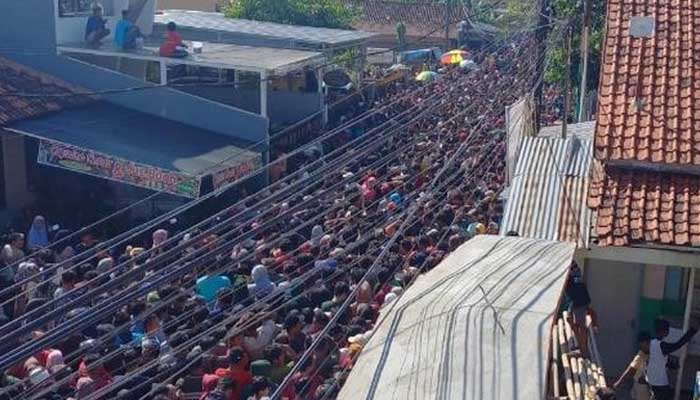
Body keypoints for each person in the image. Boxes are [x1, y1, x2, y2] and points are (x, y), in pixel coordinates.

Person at [646, 318, 698, 400]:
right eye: (667, 330)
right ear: (664, 331)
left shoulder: (651, 343)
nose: (668, 332)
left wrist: (673, 366)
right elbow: (677, 345)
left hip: (652, 380)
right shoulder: (662, 345)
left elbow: (659, 360)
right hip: (660, 382)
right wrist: (691, 332)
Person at [613, 332, 650, 400]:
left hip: (644, 387)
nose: (641, 346)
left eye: (643, 344)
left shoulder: (643, 355)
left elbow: (630, 371)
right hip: (641, 386)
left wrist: (619, 383)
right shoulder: (641, 354)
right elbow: (631, 369)